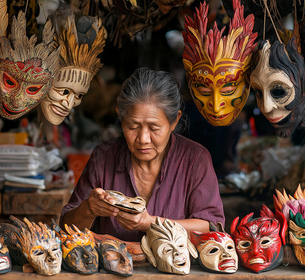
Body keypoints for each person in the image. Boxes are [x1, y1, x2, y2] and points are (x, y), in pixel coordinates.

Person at [60, 67, 225, 242]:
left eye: (154, 128)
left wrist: (150, 223)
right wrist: (89, 209)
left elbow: (211, 228)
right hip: (114, 267)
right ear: (120, 118)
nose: (143, 139)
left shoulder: (195, 159)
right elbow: (65, 229)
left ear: (174, 121)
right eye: (133, 126)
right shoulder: (104, 157)